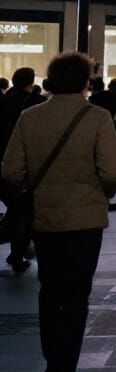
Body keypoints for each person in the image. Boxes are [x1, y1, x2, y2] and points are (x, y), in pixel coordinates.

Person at [2, 52, 116, 372]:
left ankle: (51, 359)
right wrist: (100, 191)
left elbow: (10, 169)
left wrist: (32, 188)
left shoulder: (30, 117)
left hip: (46, 219)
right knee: (76, 296)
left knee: (49, 290)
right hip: (85, 221)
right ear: (86, 81)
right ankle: (64, 369)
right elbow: (115, 168)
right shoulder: (97, 117)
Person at [0, 67, 45, 272]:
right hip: (26, 166)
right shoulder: (37, 104)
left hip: (2, 162)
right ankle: (17, 253)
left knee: (15, 208)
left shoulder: (3, 101)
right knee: (24, 211)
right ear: (31, 81)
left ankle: (17, 250)